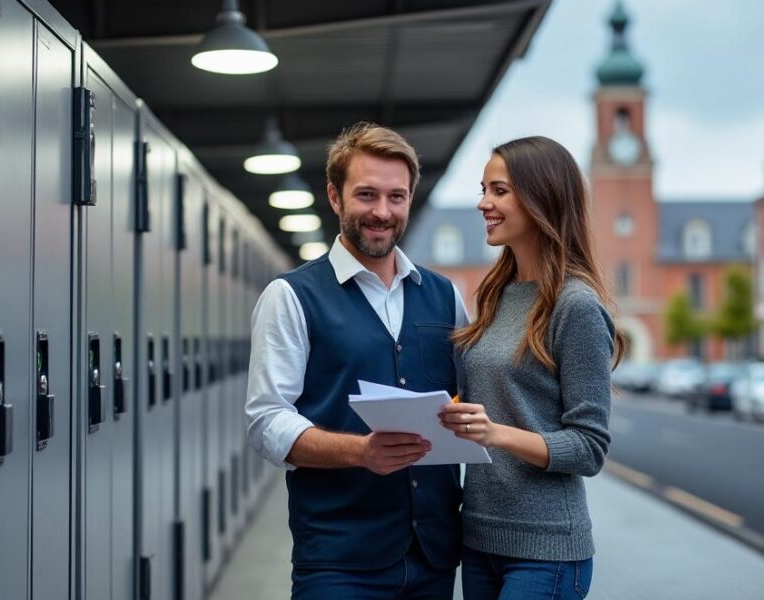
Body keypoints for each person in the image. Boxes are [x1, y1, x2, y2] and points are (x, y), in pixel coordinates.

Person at [245, 122, 469, 599]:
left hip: (434, 557)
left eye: (396, 197)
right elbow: (266, 421)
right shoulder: (290, 296)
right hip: (339, 564)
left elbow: (471, 398)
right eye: (367, 195)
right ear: (335, 196)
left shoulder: (445, 296)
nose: (382, 212)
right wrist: (360, 452)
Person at [438, 136, 623, 599]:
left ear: (542, 197)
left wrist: (494, 433)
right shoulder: (496, 294)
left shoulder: (576, 306)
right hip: (479, 539)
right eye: (483, 189)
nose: (483, 203)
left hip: (547, 550)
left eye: (499, 191)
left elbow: (589, 447)